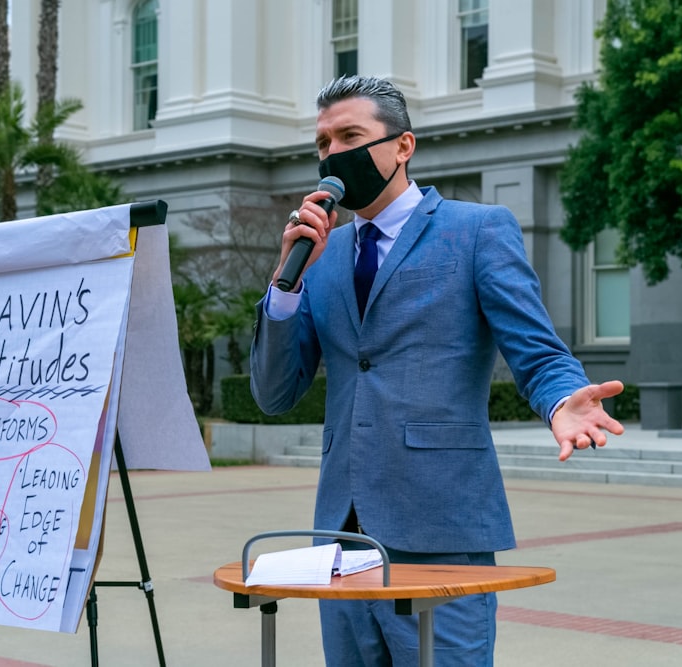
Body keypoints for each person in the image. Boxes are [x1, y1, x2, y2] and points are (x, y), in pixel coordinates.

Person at [249, 75, 625, 666]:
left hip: (440, 527)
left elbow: (537, 349)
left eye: (350, 135)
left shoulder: (477, 231)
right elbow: (273, 395)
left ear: (403, 146)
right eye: (322, 143)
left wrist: (562, 400)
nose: (333, 155)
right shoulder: (318, 258)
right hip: (341, 541)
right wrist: (284, 285)